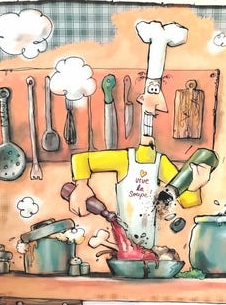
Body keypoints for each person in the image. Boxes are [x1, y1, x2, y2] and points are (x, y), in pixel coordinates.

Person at [67, 20, 214, 249]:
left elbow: (186, 200)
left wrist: (195, 185)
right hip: (123, 243)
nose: (149, 121)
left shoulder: (161, 163)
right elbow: (81, 159)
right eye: (147, 110)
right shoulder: (124, 159)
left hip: (149, 245)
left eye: (153, 113)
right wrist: (81, 185)